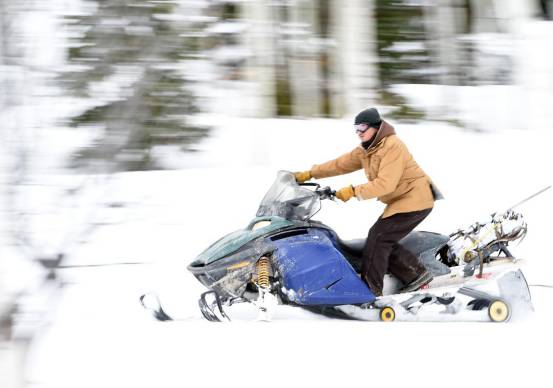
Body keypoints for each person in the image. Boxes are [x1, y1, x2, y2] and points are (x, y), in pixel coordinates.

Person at [294, 108, 441, 297]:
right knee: (380, 237)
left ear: (377, 126)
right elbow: (340, 164)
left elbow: (385, 184)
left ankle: (375, 289)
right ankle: (413, 275)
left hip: (416, 198)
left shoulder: (392, 146)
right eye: (356, 128)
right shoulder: (367, 149)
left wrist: (353, 191)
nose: (359, 132)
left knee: (379, 237)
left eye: (363, 127)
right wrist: (310, 173)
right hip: (402, 199)